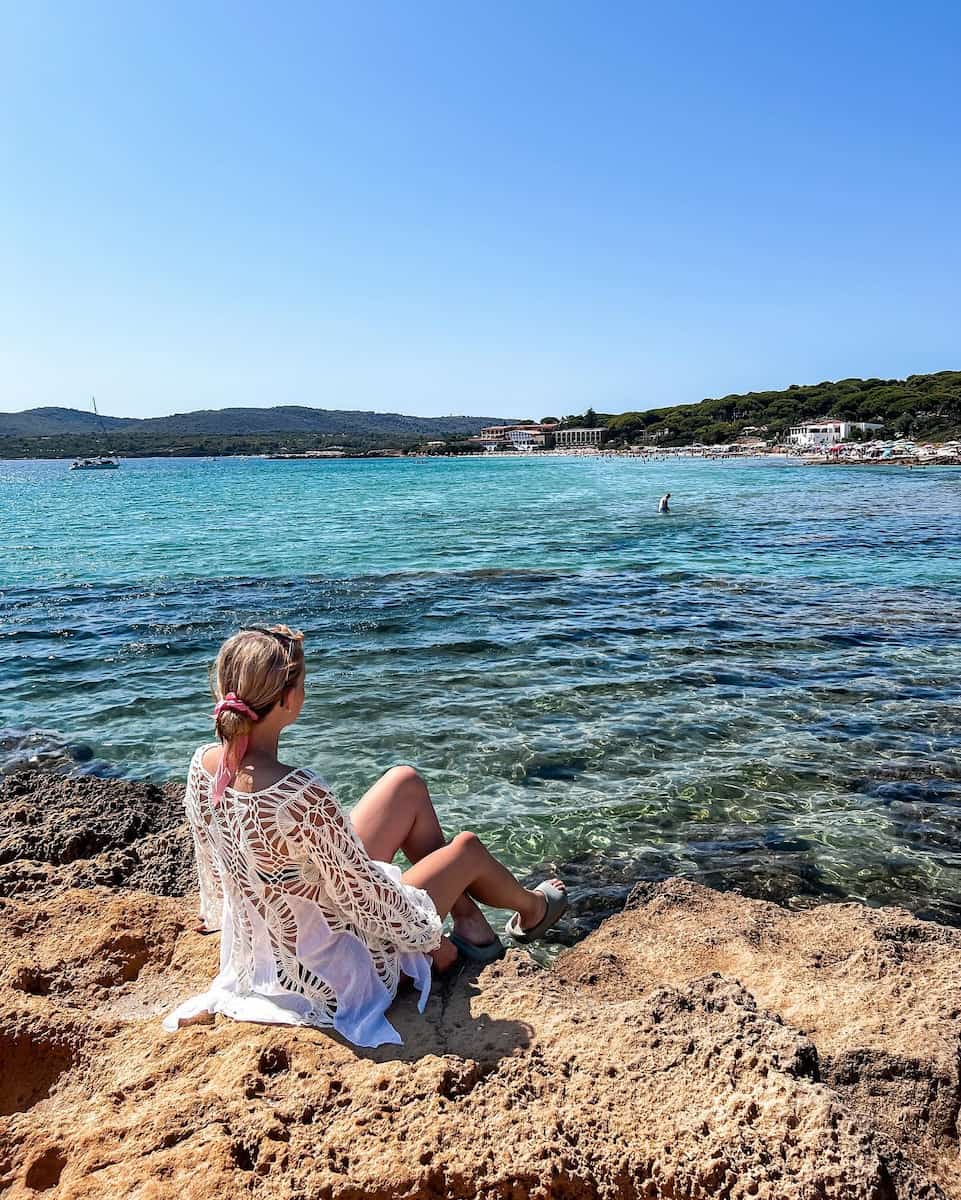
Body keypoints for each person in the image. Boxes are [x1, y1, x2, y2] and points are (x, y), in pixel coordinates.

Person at [163, 625, 568, 1047]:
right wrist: (432, 944)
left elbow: (215, 862)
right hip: (333, 974)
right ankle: (533, 909)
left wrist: (217, 916)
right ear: (286, 699)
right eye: (302, 682)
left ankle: (473, 926)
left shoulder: (204, 764)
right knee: (466, 850)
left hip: (280, 943)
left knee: (404, 784)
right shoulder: (300, 793)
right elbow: (366, 901)